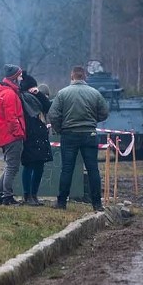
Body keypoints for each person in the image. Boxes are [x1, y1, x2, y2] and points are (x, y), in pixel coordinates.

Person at [47, 65, 110, 211]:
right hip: (89, 134)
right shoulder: (94, 93)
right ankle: (97, 204)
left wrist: (60, 129)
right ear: (85, 76)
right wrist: (92, 121)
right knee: (93, 169)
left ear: (72, 76)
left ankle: (62, 202)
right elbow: (104, 113)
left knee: (67, 169)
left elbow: (53, 115)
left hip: (69, 135)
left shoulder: (63, 93)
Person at [0, 64, 26, 206]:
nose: (21, 78)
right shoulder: (10, 95)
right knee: (12, 167)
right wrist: (19, 134)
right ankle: (8, 197)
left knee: (8, 166)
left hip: (4, 135)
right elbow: (12, 118)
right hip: (12, 136)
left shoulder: (1, 94)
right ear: (14, 78)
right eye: (19, 75)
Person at [19, 72, 53, 206]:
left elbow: (48, 107)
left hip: (40, 134)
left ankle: (34, 194)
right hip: (29, 135)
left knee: (39, 166)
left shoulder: (36, 98)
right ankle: (28, 195)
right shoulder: (22, 99)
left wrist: (38, 93)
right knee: (28, 165)